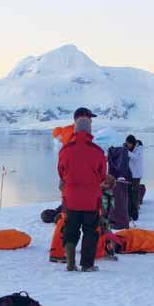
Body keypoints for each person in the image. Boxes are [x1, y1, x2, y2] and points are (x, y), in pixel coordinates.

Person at [58, 116, 107, 271]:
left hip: (71, 198)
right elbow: (102, 176)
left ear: (75, 130)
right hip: (91, 199)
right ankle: (87, 265)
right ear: (89, 131)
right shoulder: (97, 151)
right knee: (90, 231)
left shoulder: (65, 150)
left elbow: (61, 172)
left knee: (70, 228)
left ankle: (70, 262)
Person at [124, 134, 144, 221]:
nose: (127, 145)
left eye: (128, 144)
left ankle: (135, 208)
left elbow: (135, 157)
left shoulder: (139, 149)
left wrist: (126, 151)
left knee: (135, 192)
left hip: (137, 174)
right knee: (131, 192)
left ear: (132, 143)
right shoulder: (131, 149)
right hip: (131, 173)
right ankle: (133, 207)